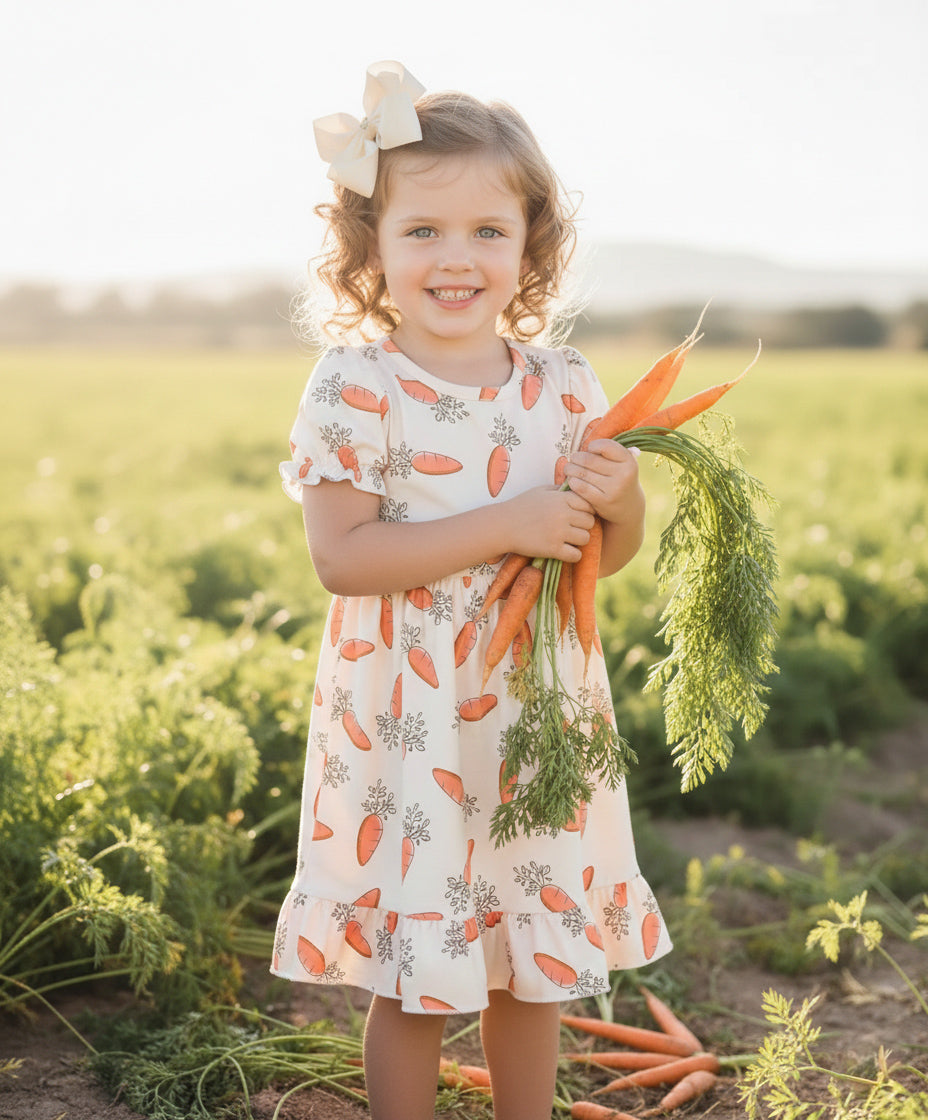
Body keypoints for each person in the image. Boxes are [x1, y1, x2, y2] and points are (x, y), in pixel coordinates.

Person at [272, 60, 671, 1120]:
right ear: (370, 248)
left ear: (530, 245)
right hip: (411, 719)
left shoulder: (563, 384)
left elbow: (596, 553)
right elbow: (342, 558)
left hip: (534, 716)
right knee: (418, 962)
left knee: (526, 956)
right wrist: (503, 520)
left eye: (489, 232)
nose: (458, 258)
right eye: (423, 232)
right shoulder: (358, 385)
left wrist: (620, 502)